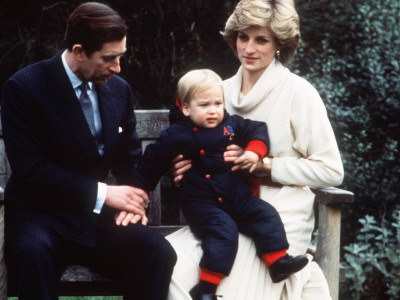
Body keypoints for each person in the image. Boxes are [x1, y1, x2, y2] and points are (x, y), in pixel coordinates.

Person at [167, 0, 344, 299]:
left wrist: (267, 165)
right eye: (243, 37)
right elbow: (186, 140)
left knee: (230, 282)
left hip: (278, 214)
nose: (249, 48)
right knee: (169, 264)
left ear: (279, 44)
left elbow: (331, 170)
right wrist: (181, 164)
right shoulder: (216, 92)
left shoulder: (299, 92)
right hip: (220, 211)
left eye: (261, 40)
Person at [0, 2, 176, 300]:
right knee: (34, 255)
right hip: (39, 217)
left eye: (120, 57)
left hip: (95, 219)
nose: (118, 67)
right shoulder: (25, 87)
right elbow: (30, 170)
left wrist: (134, 200)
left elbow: (130, 161)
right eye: (109, 58)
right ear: (79, 51)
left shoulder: (119, 90)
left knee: (156, 250)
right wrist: (105, 193)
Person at [128, 69, 308, 300]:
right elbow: (150, 163)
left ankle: (277, 263)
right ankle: (206, 289)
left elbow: (257, 129)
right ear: (185, 108)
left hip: (236, 196)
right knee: (224, 234)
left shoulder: (230, 126)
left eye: (218, 103)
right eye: (204, 105)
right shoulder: (177, 135)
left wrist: (254, 152)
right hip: (202, 204)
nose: (213, 110)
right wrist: (136, 193)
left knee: (265, 213)